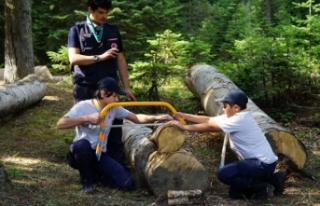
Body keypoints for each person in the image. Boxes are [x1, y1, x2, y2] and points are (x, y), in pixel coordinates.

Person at [57, 77, 173, 194]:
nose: (117, 99)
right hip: (80, 153)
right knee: (82, 145)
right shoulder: (83, 106)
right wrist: (86, 118)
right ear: (103, 93)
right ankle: (87, 182)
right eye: (114, 96)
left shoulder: (114, 108)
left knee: (126, 183)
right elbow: (60, 124)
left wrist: (158, 117)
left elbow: (136, 117)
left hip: (99, 154)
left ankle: (95, 175)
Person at [169, 88, 286, 203]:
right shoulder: (236, 116)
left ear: (235, 107)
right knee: (236, 194)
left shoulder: (240, 119)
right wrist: (184, 116)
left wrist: (184, 127)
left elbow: (211, 127)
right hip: (259, 165)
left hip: (261, 165)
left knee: (224, 174)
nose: (223, 109)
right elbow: (209, 120)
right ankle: (274, 179)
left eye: (225, 106)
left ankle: (262, 187)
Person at [67, 0, 136, 171]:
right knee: (87, 127)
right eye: (100, 12)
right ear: (90, 9)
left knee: (114, 126)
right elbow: (73, 58)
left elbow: (120, 59)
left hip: (109, 87)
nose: (104, 16)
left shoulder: (112, 30)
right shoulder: (77, 30)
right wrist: (99, 57)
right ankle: (86, 166)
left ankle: (118, 165)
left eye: (106, 13)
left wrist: (126, 87)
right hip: (85, 85)